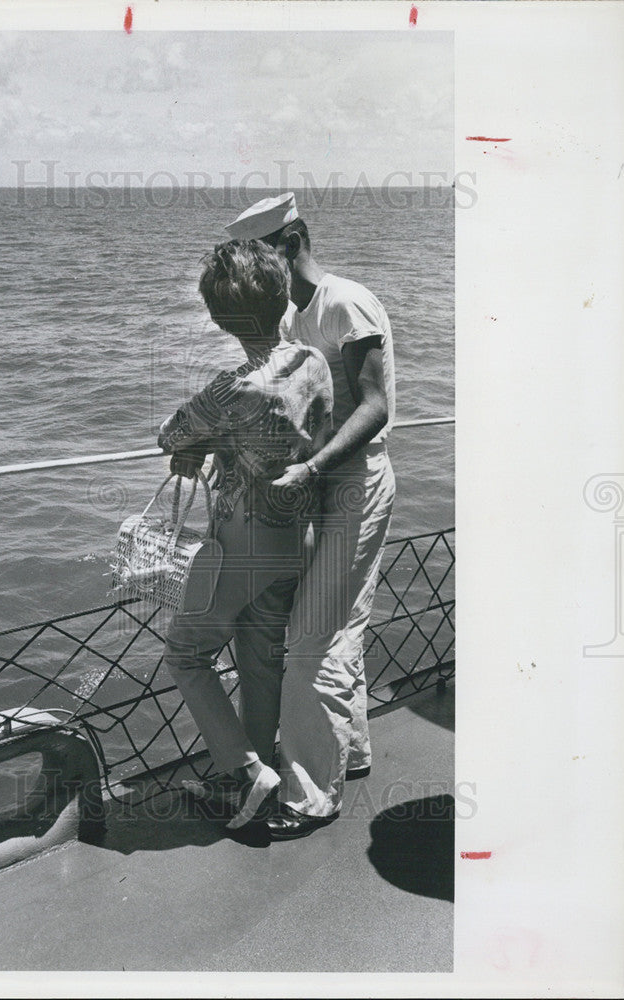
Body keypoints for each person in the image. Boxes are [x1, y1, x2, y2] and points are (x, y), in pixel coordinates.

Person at [224, 192, 396, 838]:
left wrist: (313, 468)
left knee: (307, 639)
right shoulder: (294, 324)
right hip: (323, 486)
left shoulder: (343, 305)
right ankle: (350, 755)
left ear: (290, 242)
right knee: (342, 624)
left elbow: (374, 405)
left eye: (261, 258)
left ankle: (309, 798)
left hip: (355, 483)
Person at [157, 238, 333, 830]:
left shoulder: (233, 389)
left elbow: (170, 434)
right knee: (260, 662)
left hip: (244, 543)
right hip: (296, 539)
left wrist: (203, 442)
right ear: (283, 298)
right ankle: (256, 789)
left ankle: (244, 769)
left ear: (218, 319)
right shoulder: (312, 362)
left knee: (185, 653)